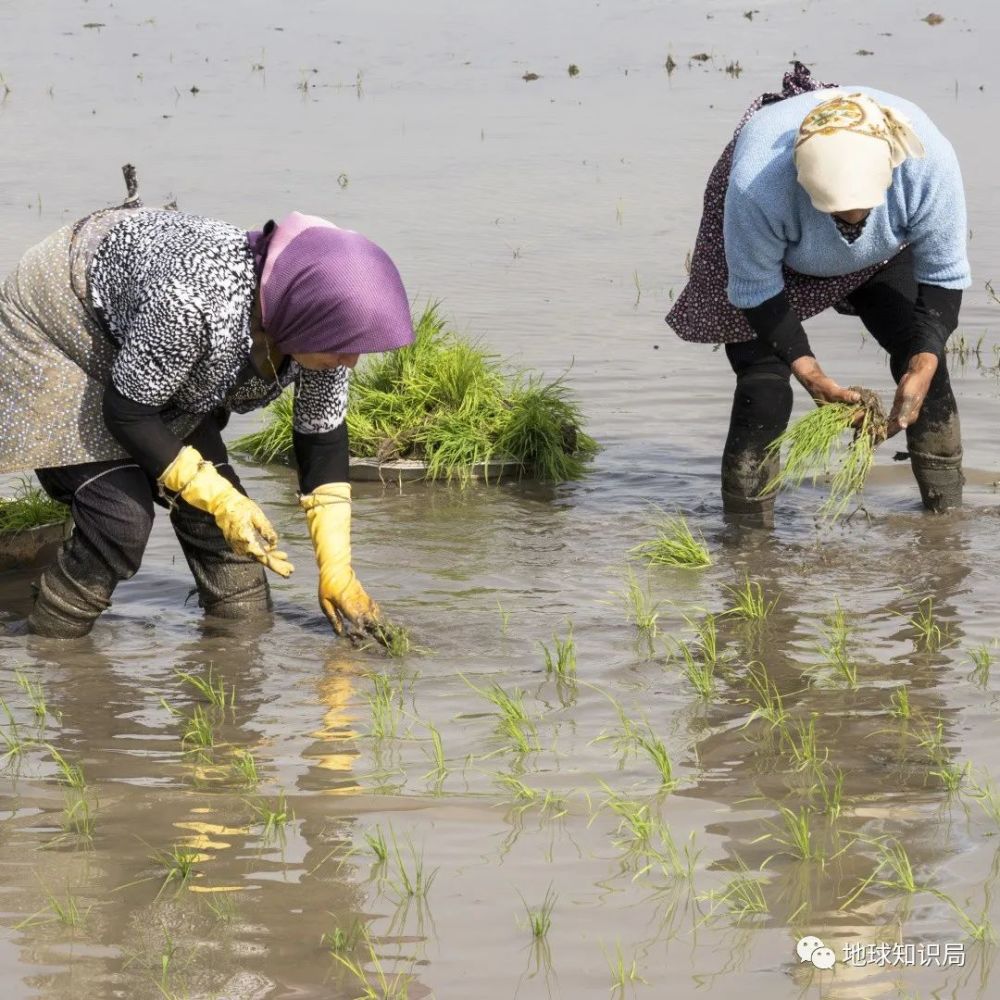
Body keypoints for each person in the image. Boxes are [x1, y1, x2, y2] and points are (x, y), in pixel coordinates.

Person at [0, 205, 414, 637]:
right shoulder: (193, 303)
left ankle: (237, 660)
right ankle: (50, 648)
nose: (350, 361)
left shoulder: (314, 322)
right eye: (342, 348)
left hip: (154, 349)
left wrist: (337, 569)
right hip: (64, 323)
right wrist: (219, 498)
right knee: (120, 520)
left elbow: (322, 437)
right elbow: (129, 412)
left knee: (234, 538)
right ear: (306, 316)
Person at [666, 63, 970, 526]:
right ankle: (748, 543)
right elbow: (756, 289)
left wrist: (925, 359)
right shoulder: (756, 186)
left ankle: (946, 526)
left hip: (884, 252)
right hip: (776, 254)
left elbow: (943, 275)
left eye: (859, 210)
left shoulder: (927, 164)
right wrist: (811, 375)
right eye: (835, 211)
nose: (849, 221)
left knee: (924, 367)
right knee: (763, 387)